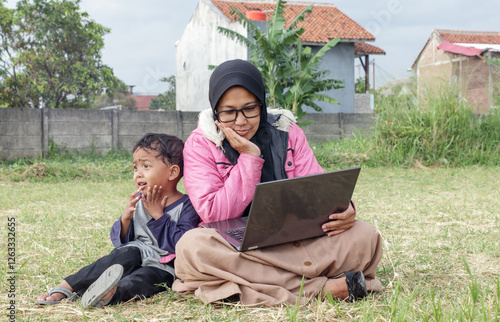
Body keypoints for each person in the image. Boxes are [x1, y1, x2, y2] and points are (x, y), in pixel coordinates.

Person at [172, 59, 384, 306]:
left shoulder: (288, 131)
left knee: (365, 234)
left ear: (262, 104)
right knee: (192, 248)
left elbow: (317, 190)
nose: (240, 121)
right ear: (215, 110)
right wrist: (250, 158)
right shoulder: (201, 144)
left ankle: (264, 285)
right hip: (238, 248)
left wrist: (344, 209)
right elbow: (213, 213)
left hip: (298, 240)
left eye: (250, 108)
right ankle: (320, 288)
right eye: (228, 112)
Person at [36, 133, 200, 307]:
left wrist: (159, 215)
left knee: (143, 280)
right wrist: (126, 218)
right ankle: (68, 285)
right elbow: (122, 242)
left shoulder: (188, 206)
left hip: (163, 265)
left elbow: (183, 245)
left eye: (146, 165)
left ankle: (109, 294)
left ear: (173, 172)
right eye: (135, 167)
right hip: (137, 252)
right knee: (121, 256)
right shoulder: (140, 200)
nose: (138, 173)